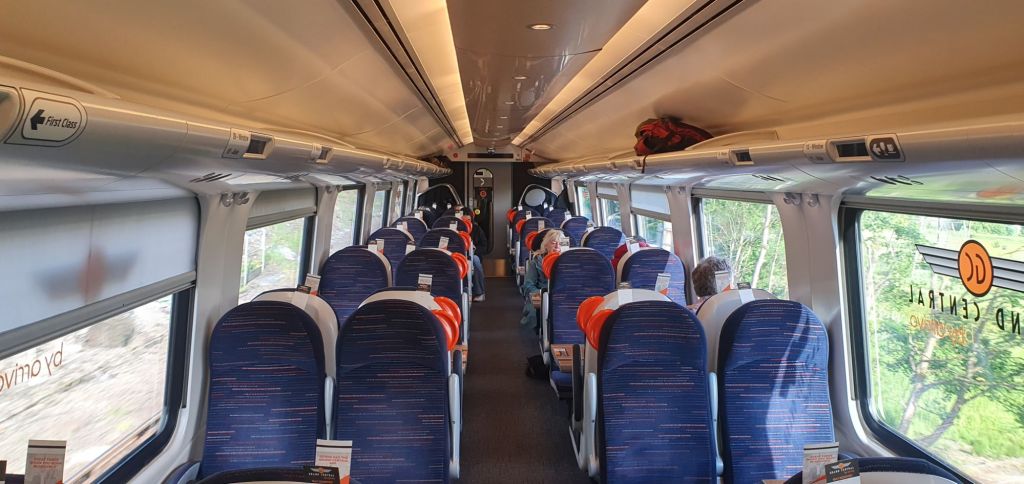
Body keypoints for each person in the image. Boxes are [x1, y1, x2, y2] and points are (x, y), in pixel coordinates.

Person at [520, 229, 563, 330]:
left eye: (561, 243)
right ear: (546, 245)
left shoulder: (568, 262)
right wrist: (540, 294)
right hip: (541, 295)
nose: (557, 246)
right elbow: (528, 284)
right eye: (553, 243)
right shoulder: (536, 262)